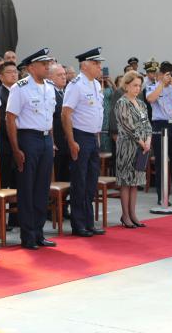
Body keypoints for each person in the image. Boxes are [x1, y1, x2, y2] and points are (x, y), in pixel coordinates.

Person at [6, 48, 56, 249]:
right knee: (27, 188)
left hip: (45, 140)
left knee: (42, 189)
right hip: (28, 139)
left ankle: (39, 232)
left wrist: (51, 141)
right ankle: (28, 235)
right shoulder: (20, 88)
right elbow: (10, 119)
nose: (47, 67)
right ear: (31, 67)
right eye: (43, 64)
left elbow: (49, 118)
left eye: (48, 64)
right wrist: (16, 149)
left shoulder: (49, 87)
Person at [61, 47, 106, 237]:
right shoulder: (76, 85)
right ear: (85, 65)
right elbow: (66, 114)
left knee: (90, 182)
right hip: (79, 136)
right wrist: (71, 141)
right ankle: (78, 224)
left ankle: (89, 222)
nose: (100, 67)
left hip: (93, 137)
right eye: (96, 64)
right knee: (79, 181)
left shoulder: (96, 84)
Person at [145, 61, 172, 207]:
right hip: (160, 125)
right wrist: (162, 84)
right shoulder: (153, 86)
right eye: (167, 75)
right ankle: (162, 196)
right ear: (161, 75)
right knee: (161, 163)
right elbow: (150, 99)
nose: (170, 78)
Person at [114, 71, 152, 228]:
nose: (137, 88)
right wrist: (141, 141)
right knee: (126, 181)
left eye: (139, 86)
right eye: (134, 85)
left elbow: (147, 124)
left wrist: (148, 140)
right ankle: (125, 215)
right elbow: (127, 125)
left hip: (142, 146)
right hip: (127, 146)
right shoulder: (122, 103)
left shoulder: (142, 104)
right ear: (126, 85)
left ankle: (133, 214)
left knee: (135, 181)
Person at [0, 61, 19, 191]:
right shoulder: (0, 94)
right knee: (4, 184)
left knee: (18, 184)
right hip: (5, 146)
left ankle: (16, 212)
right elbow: (3, 122)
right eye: (9, 72)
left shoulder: (20, 91)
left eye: (15, 72)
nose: (14, 75)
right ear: (1, 77)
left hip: (20, 144)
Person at [47, 63, 70, 182]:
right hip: (57, 140)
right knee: (58, 174)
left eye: (64, 74)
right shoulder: (50, 93)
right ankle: (55, 200)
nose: (64, 77)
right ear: (50, 77)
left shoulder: (66, 92)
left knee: (67, 175)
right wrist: (52, 141)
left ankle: (64, 200)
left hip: (67, 141)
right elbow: (50, 118)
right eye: (59, 75)